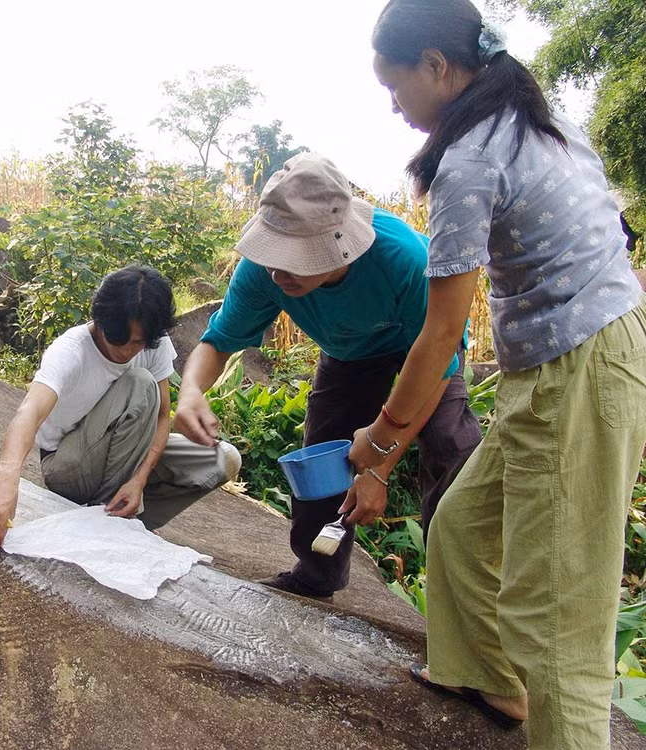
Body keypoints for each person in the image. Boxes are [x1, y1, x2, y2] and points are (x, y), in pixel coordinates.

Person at [352, 1, 646, 745]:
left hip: (578, 370)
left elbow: (442, 332)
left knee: (556, 623)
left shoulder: (471, 159)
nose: (395, 104)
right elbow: (611, 230)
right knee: (458, 527)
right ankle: (486, 675)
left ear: (437, 68)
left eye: (396, 87)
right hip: (575, 355)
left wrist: (382, 444)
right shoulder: (542, 122)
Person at [174, 152, 481, 600]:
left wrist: (378, 468)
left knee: (452, 447)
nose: (279, 271)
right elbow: (218, 342)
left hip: (425, 344)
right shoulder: (264, 273)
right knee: (319, 457)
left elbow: (434, 366)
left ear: (337, 244)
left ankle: (461, 603)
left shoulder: (401, 258)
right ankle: (316, 574)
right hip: (350, 351)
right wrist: (190, 392)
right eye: (272, 254)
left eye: (294, 258)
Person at [0, 265, 241, 547]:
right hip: (66, 466)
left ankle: (124, 515)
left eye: (137, 342)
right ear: (100, 321)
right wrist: (5, 478)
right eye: (118, 339)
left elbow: (163, 416)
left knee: (222, 458)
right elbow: (30, 411)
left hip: (121, 455)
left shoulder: (154, 342)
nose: (126, 351)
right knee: (140, 383)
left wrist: (139, 479)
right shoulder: (70, 351)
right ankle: (102, 523)